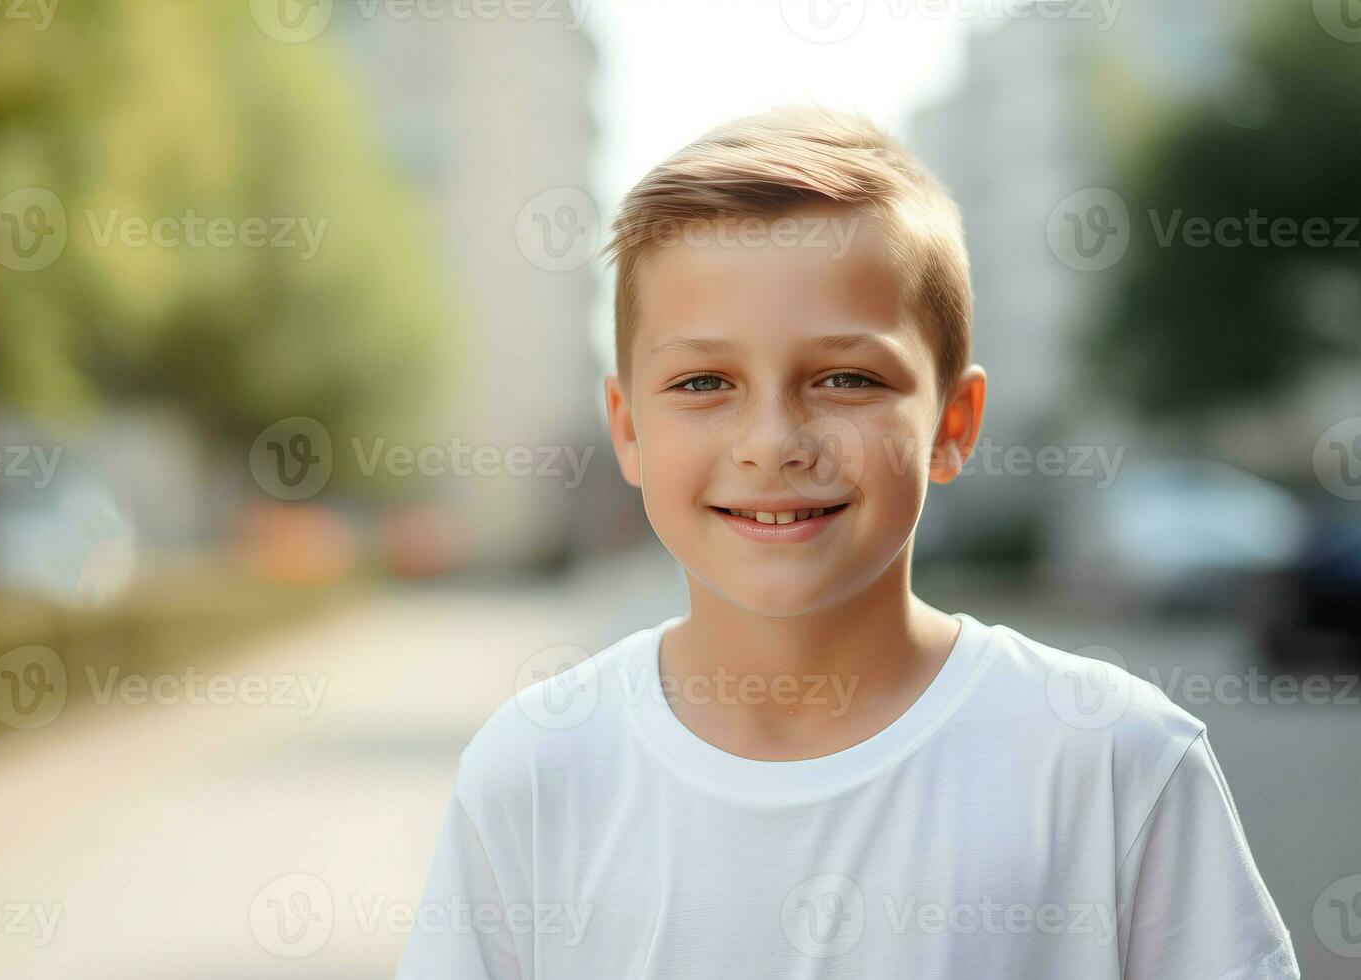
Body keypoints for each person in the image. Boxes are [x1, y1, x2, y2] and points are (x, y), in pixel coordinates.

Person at [395, 104, 1300, 978]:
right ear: (628, 430)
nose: (773, 442)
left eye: (844, 378)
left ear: (952, 422)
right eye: (706, 381)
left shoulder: (1113, 762)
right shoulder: (536, 771)